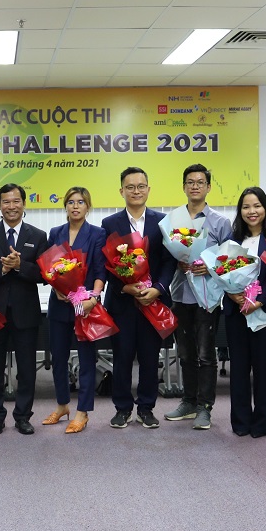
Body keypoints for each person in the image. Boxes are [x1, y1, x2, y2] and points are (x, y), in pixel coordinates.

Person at [101, 167, 177, 429]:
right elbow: (105, 264)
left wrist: (158, 288)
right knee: (122, 358)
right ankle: (122, 409)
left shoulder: (163, 221)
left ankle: (146, 408)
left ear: (148, 189)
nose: (136, 191)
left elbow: (169, 261)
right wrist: (125, 288)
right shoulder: (110, 223)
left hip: (153, 302)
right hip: (122, 304)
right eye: (130, 187)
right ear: (121, 191)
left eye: (141, 186)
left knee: (149, 357)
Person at [163, 164, 233, 431]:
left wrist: (210, 266)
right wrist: (178, 261)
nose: (195, 186)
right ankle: (188, 401)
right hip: (181, 295)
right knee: (185, 354)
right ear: (184, 187)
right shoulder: (173, 220)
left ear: (208, 187)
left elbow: (230, 261)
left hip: (208, 298)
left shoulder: (220, 222)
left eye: (200, 182)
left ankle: (205, 407)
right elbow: (167, 256)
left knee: (206, 355)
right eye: (190, 182)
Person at [0, 183, 47, 436]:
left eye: (16, 201)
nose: (11, 206)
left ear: (24, 203)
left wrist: (19, 266)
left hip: (26, 311)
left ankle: (23, 416)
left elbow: (44, 275)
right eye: (6, 202)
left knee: (26, 368)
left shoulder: (38, 236)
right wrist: (3, 270)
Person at [40, 187, 106, 434]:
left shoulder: (98, 234)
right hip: (59, 305)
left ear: (88, 206)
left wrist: (94, 297)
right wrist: (55, 286)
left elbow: (101, 271)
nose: (75, 206)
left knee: (87, 359)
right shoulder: (55, 233)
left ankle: (82, 412)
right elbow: (48, 268)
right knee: (58, 358)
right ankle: (62, 405)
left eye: (80, 202)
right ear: (65, 206)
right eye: (70, 202)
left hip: (85, 306)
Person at [222, 187, 266, 438]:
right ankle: (241, 422)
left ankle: (262, 424)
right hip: (237, 314)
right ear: (240, 211)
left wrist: (259, 300)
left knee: (265, 370)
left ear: (265, 208)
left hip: (265, 313)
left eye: (256, 205)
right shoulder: (231, 240)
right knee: (239, 369)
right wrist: (232, 295)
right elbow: (222, 272)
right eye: (246, 207)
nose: (251, 211)